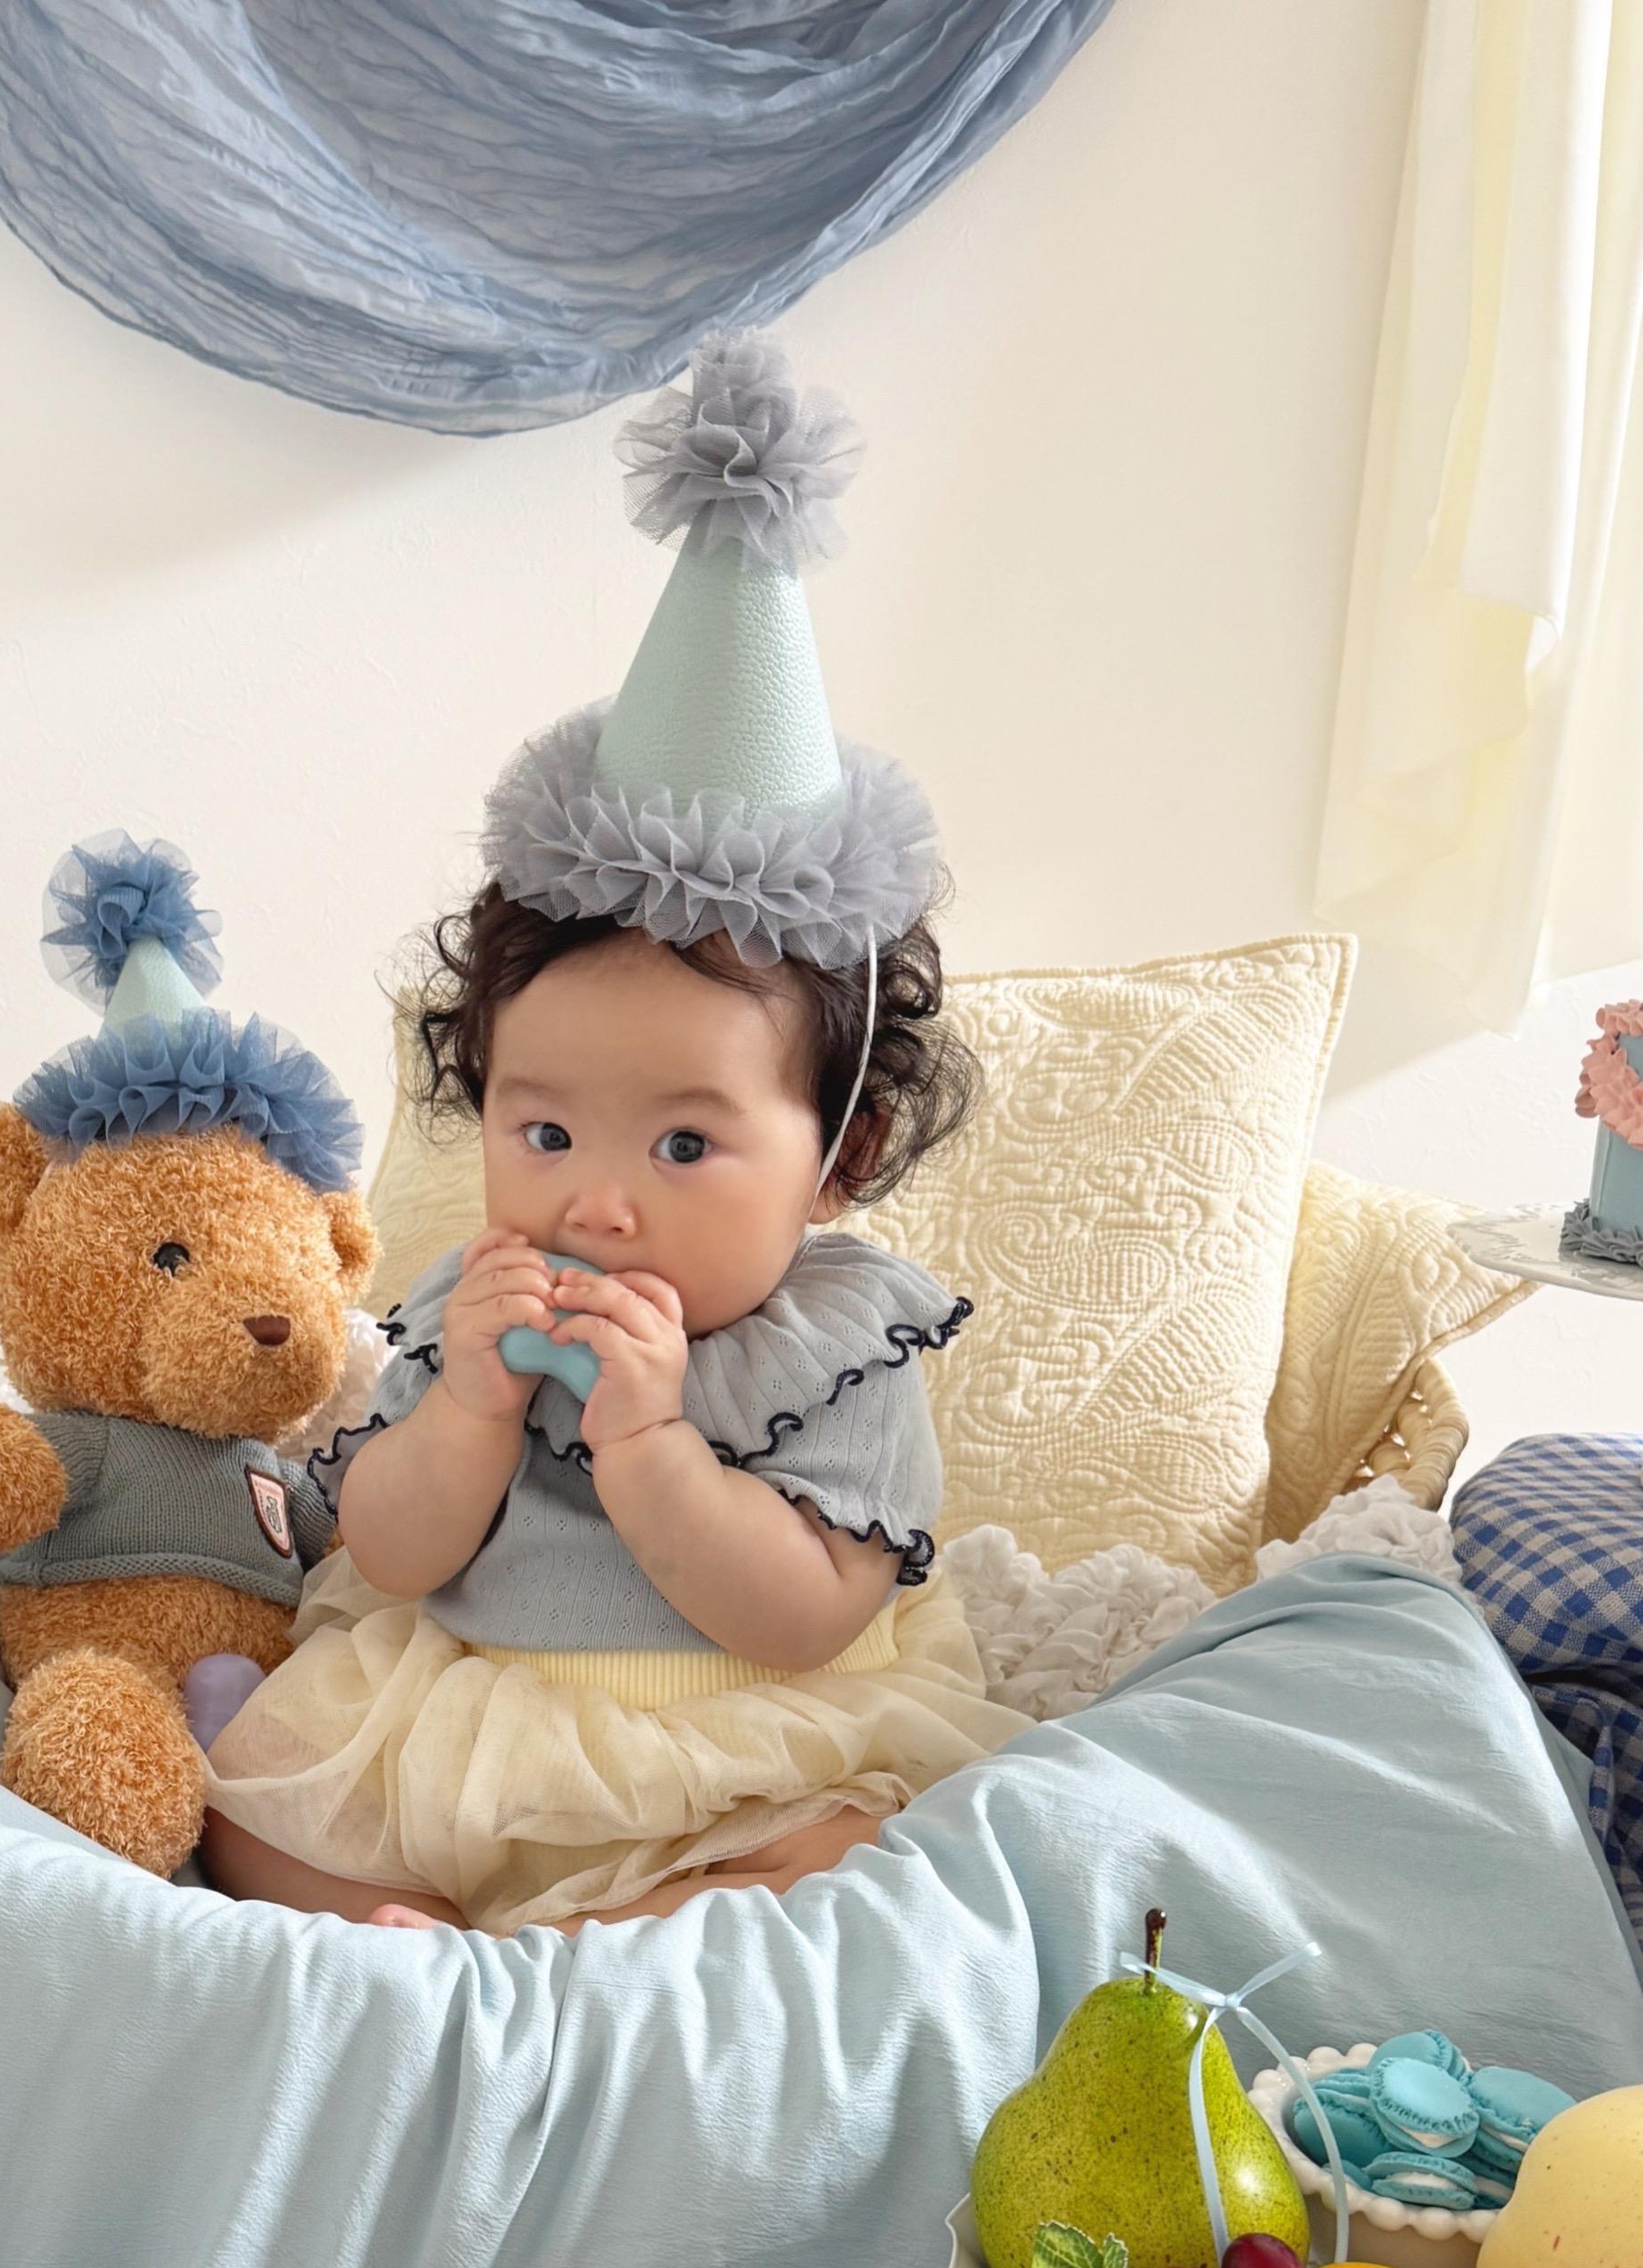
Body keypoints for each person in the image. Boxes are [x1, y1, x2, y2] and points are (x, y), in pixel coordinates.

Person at [201, 334, 1032, 1932]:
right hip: (477, 1722)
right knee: (250, 1808)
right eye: (545, 1130)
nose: (597, 1202)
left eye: (684, 1148)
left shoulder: (839, 1350)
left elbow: (807, 1616)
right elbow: (390, 1552)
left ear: (842, 1160)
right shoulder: (471, 1307)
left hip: (740, 1747)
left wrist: (653, 1450)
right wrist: (468, 1418)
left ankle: (595, 1945)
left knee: (859, 1859)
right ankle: (439, 1932)